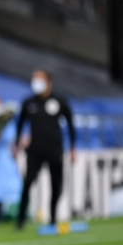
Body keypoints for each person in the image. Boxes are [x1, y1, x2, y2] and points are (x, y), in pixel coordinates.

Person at [13, 69, 75, 230]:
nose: (36, 82)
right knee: (27, 184)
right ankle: (20, 221)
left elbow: (70, 124)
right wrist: (16, 144)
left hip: (55, 149)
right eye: (34, 79)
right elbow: (20, 125)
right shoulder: (29, 102)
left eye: (39, 79)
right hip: (35, 151)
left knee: (56, 184)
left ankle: (53, 218)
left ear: (49, 82)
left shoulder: (59, 100)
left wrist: (73, 148)